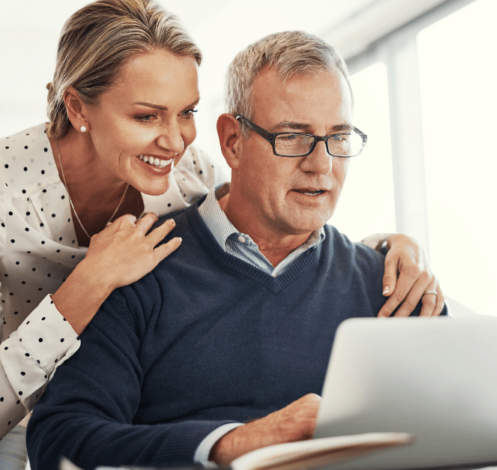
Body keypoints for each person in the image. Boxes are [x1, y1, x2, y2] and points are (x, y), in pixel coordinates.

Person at [0, 0, 443, 465]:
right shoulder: (116, 272)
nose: (174, 140)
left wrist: (387, 250)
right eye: (147, 116)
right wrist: (90, 282)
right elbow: (61, 436)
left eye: (186, 112)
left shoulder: (185, 173)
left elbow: (264, 207)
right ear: (77, 107)